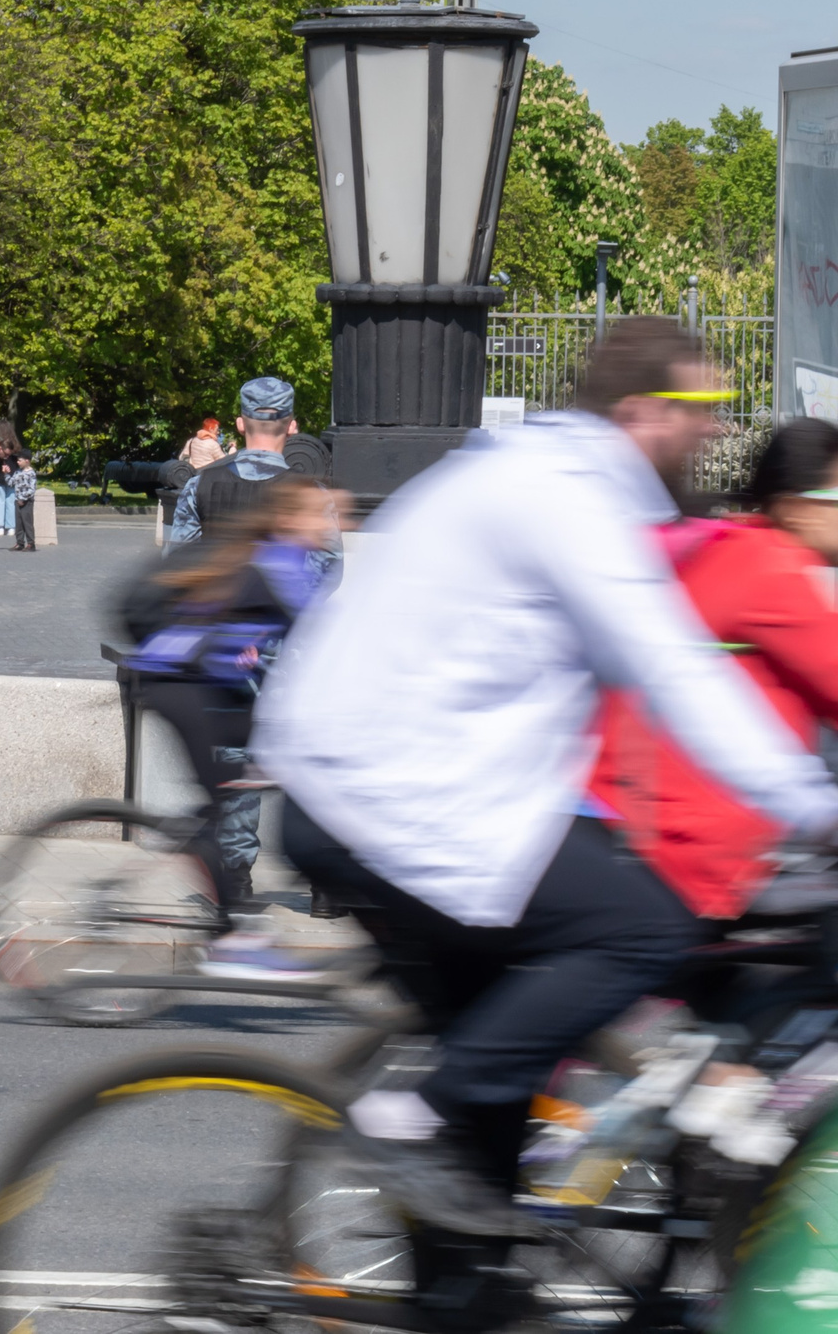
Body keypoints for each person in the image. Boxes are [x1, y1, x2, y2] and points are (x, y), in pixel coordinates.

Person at [253, 317, 838, 1237]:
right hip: (391, 794)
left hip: (392, 786)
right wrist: (814, 807)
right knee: (637, 931)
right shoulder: (569, 497)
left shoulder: (543, 474)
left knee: (494, 1117)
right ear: (645, 412)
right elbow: (674, 669)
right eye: (707, 409)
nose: (721, 431)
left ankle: (461, 1282)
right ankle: (415, 1118)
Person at [589, 415, 838, 921]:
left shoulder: (732, 545)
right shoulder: (773, 569)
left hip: (646, 821)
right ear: (797, 509)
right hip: (699, 842)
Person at [120, 474, 345, 970]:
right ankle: (228, 939)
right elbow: (329, 634)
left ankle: (208, 867)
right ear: (289, 519)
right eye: (322, 516)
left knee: (258, 769)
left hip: (206, 682)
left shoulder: (270, 557)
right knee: (218, 796)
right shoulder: (278, 563)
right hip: (174, 682)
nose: (331, 526)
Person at [171, 376, 300, 544]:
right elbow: (326, 565)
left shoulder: (199, 487)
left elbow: (178, 559)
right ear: (292, 426)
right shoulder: (312, 494)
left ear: (240, 425)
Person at [10, 449, 38, 552]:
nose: (18, 462)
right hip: (17, 501)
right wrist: (6, 474)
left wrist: (23, 498)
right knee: (19, 523)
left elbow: (32, 489)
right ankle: (19, 542)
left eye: (20, 460)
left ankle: (31, 543)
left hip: (27, 502)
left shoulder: (31, 473)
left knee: (27, 523)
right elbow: (11, 483)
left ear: (27, 461)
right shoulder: (17, 471)